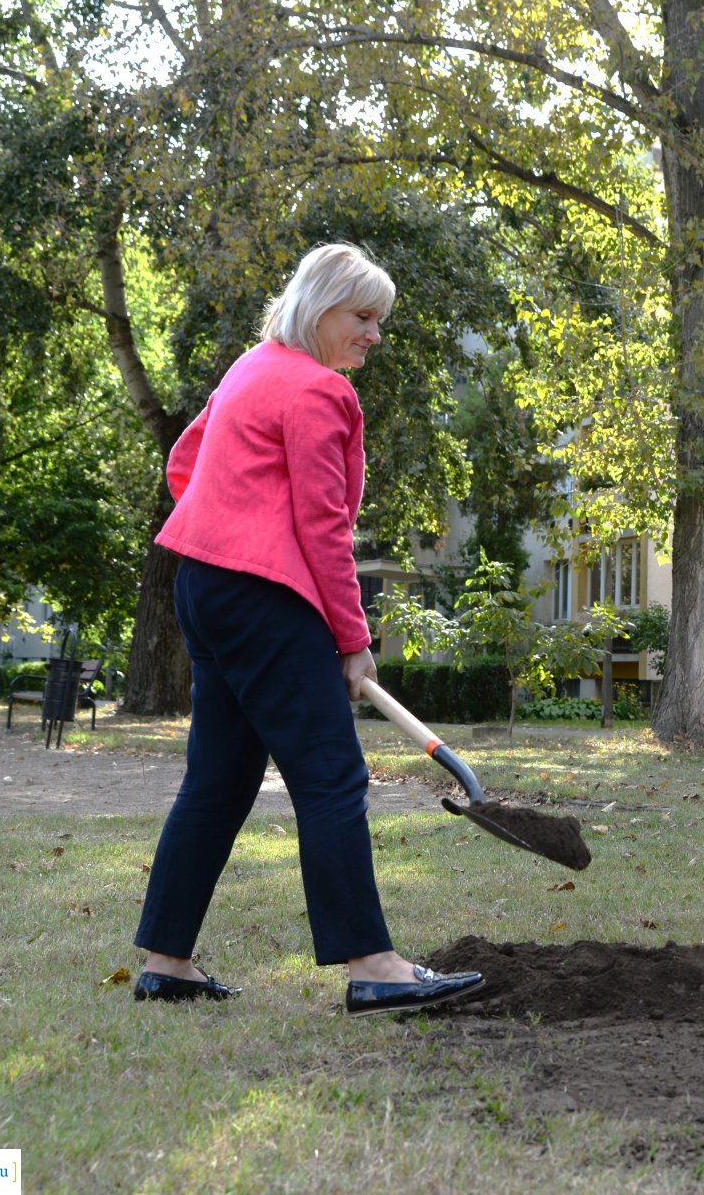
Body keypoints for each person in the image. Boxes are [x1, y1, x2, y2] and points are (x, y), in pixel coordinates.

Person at [132, 242, 484, 1017]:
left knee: (218, 780)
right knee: (331, 776)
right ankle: (374, 965)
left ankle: (167, 961)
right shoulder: (318, 390)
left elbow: (186, 464)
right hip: (263, 595)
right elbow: (324, 525)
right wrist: (353, 638)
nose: (374, 334)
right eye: (362, 317)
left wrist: (229, 522)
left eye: (379, 320)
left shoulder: (250, 368)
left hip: (202, 581)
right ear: (319, 307)